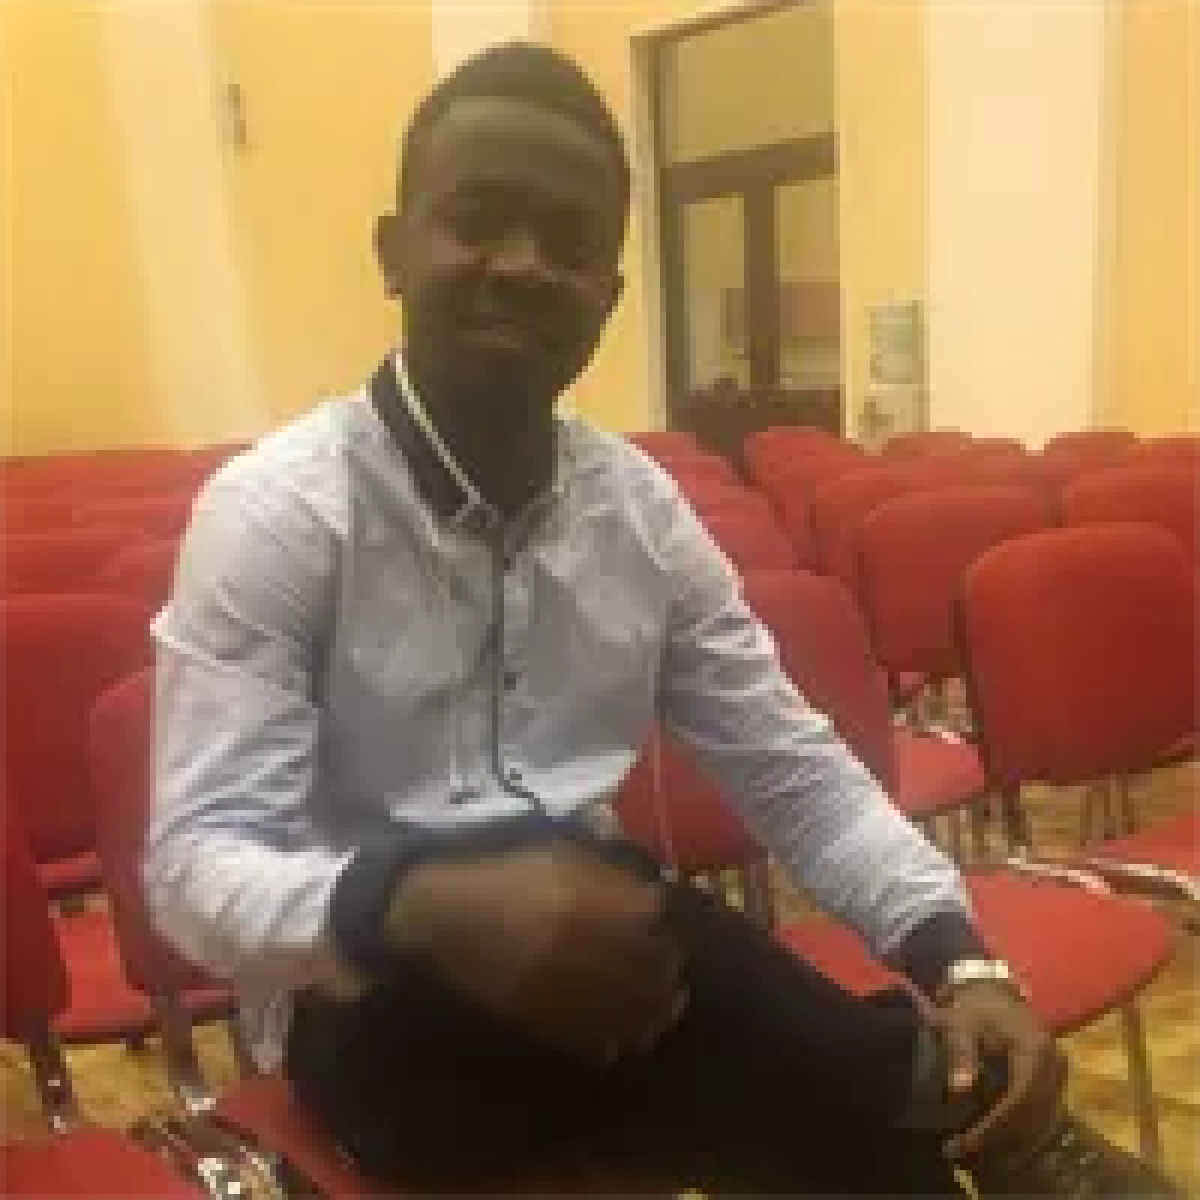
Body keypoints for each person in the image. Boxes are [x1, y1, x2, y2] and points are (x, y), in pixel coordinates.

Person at [146, 43, 1180, 1197]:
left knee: (728, 1009)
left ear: (609, 294)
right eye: (478, 221)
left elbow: (793, 767)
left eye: (570, 242)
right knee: (740, 1025)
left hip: (610, 952)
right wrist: (421, 904)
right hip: (360, 994)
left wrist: (960, 958)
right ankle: (936, 1106)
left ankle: (936, 1105)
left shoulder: (637, 513)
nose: (524, 265)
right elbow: (194, 870)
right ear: (393, 252)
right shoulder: (279, 514)